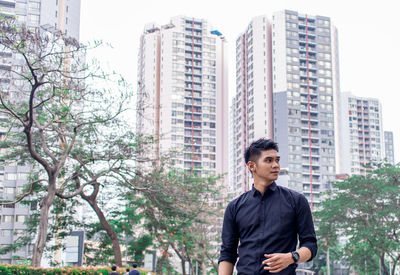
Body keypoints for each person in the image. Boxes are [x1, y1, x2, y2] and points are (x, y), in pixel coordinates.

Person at [218, 138, 317, 275]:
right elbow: (227, 253)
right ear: (252, 166)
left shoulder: (297, 201)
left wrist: (291, 257)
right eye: (269, 160)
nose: (276, 165)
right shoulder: (234, 207)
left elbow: (311, 245)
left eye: (277, 160)